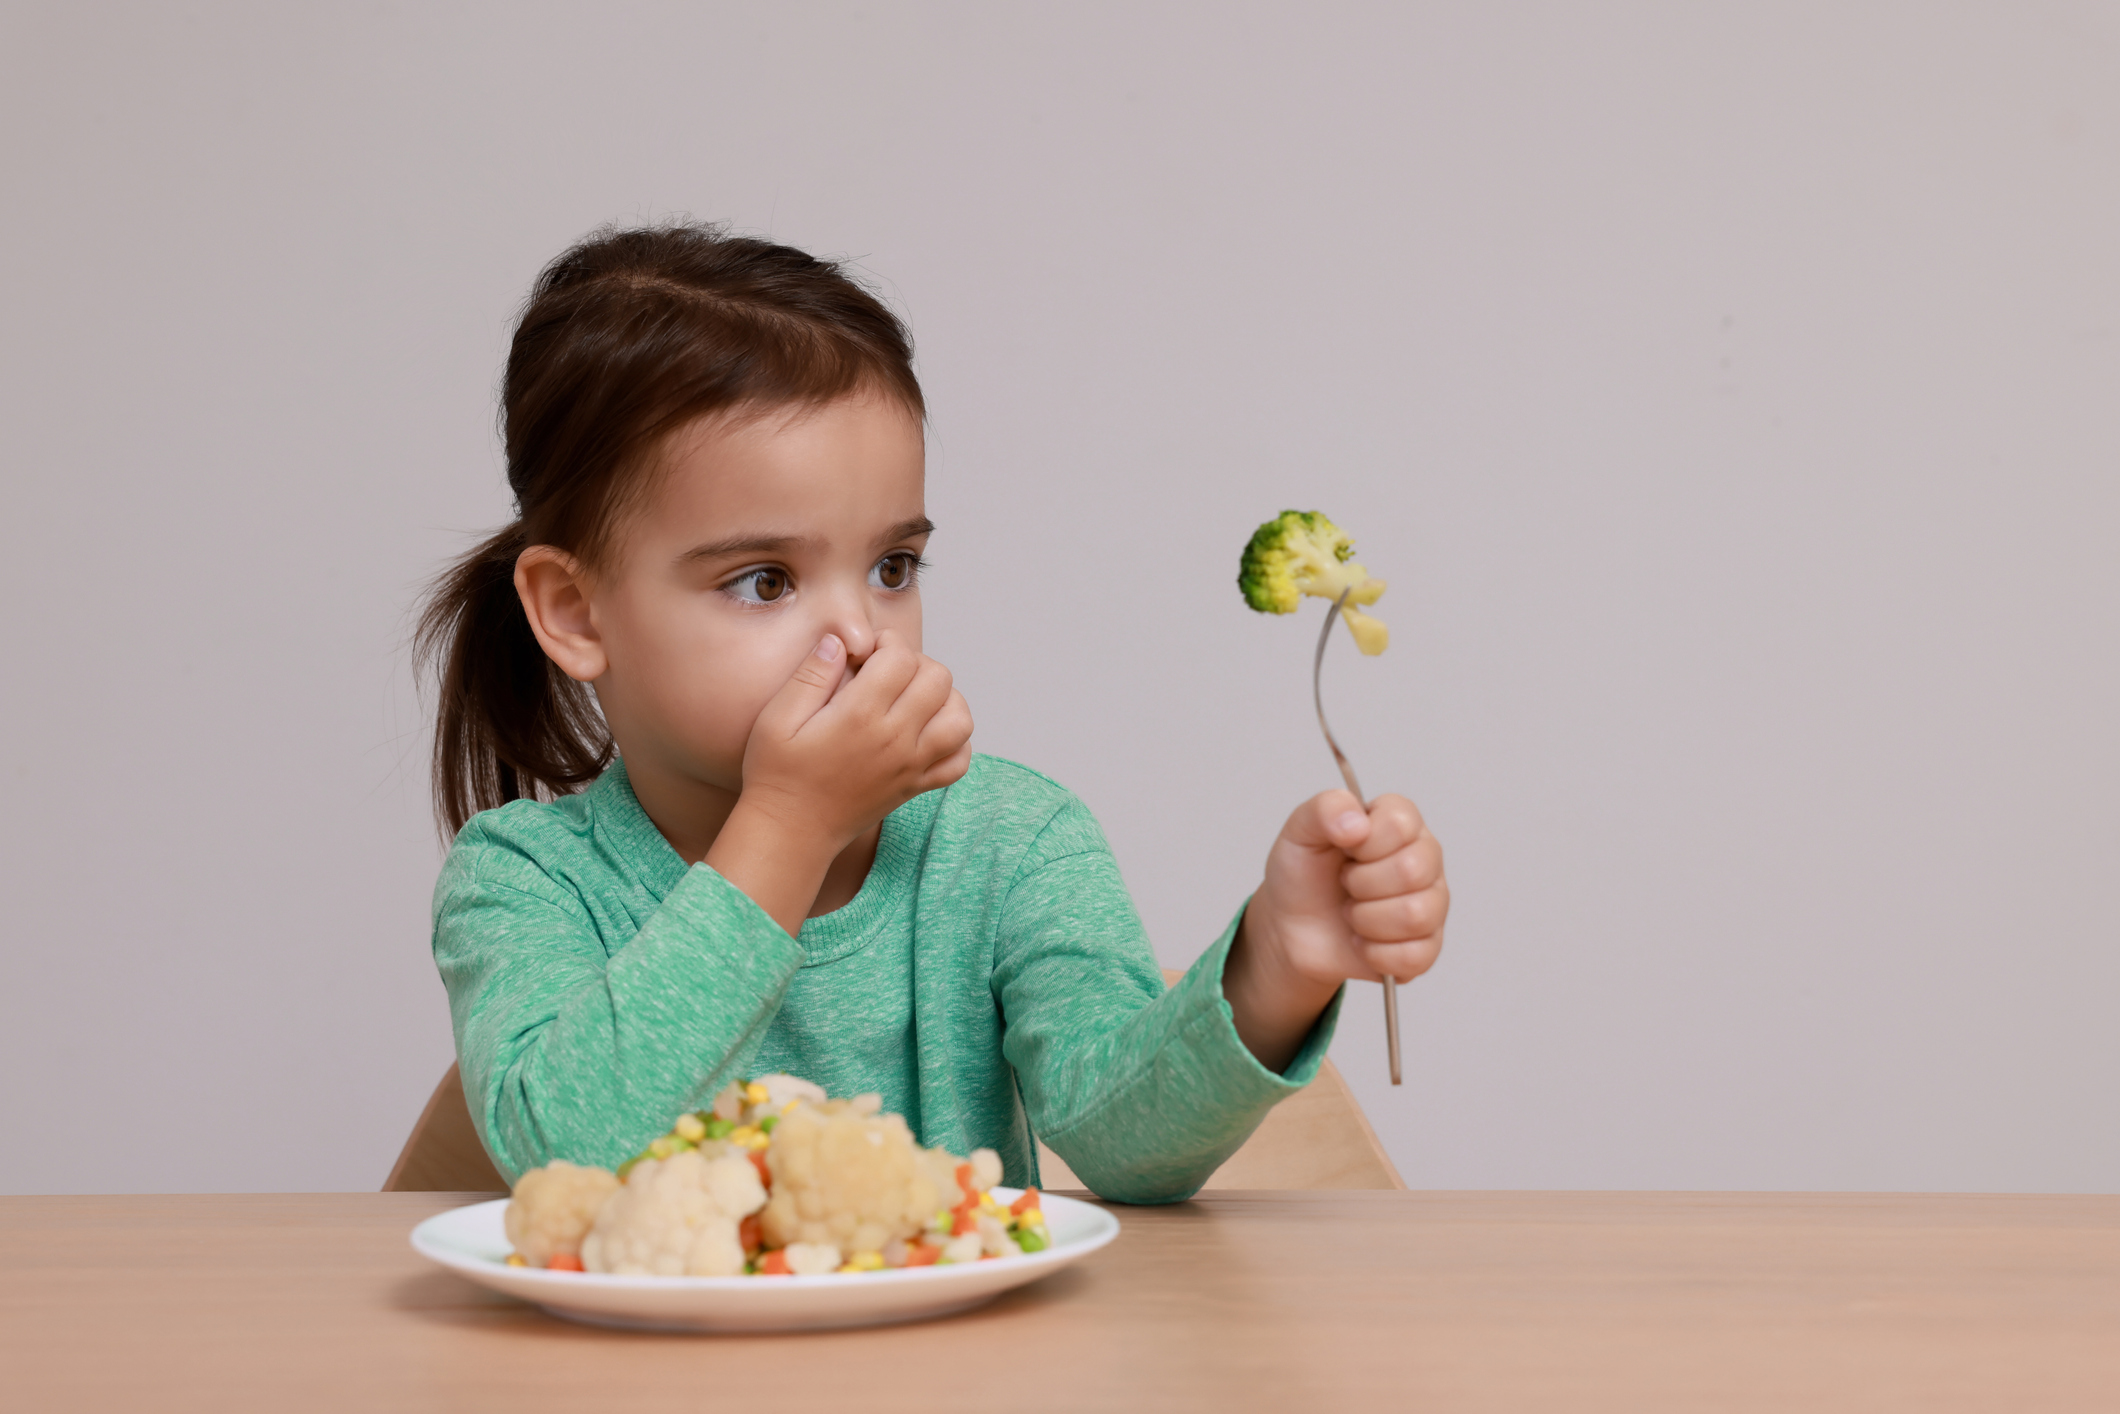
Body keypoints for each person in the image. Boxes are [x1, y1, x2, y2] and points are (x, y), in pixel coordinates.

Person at [419, 222, 1449, 1202]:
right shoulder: (524, 880)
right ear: (574, 609)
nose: (863, 635)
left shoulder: (1008, 840)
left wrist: (1275, 964)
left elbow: (1125, 1146)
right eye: (764, 581)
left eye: (891, 566)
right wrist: (789, 825)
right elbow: (567, 1153)